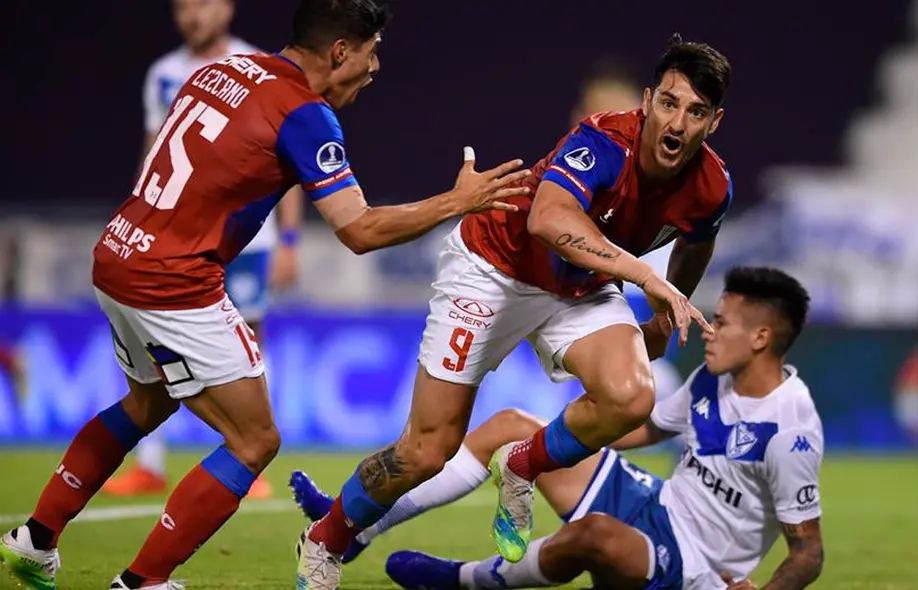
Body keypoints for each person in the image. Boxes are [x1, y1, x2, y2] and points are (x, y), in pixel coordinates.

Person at [0, 0, 530, 588]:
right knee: (254, 440)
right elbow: (358, 229)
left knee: (146, 403)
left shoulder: (217, 72)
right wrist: (457, 202)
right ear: (340, 52)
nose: (375, 68)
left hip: (119, 253)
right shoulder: (305, 115)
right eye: (372, 52)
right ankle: (142, 582)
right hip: (174, 281)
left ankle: (35, 539)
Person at [296, 34, 731, 588]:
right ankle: (327, 537)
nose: (676, 124)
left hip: (579, 286)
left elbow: (697, 239)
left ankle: (523, 463)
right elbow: (547, 221)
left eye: (695, 113)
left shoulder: (712, 185)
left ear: (713, 122)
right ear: (648, 100)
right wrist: (647, 276)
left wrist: (667, 315)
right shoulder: (602, 140)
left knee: (632, 395)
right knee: (426, 450)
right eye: (668, 104)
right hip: (493, 268)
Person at [294, 266, 825, 590]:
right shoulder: (714, 380)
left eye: (722, 322)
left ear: (760, 338)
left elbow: (808, 552)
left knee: (591, 537)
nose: (708, 328)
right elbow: (641, 431)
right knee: (512, 428)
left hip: (693, 568)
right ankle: (363, 529)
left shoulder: (791, 428)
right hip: (654, 504)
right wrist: (558, 441)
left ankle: (462, 580)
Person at [103, 0, 297, 501]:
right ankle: (150, 464)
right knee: (152, 343)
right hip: (174, 236)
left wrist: (291, 241)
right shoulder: (162, 74)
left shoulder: (256, 68)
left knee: (250, 336)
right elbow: (155, 149)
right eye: (182, 5)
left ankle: (244, 455)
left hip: (247, 236)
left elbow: (289, 162)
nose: (191, 14)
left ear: (228, 9)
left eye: (202, 3)